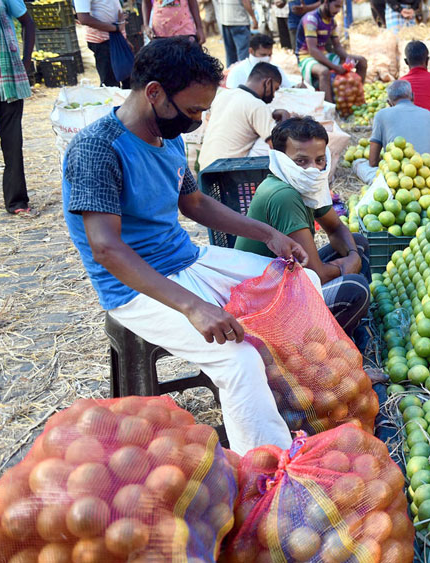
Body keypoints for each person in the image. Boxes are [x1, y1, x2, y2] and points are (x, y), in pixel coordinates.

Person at [61, 38, 311, 455]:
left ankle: (304, 403)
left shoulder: (168, 134)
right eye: (192, 110)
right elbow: (107, 249)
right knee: (238, 360)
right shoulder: (97, 149)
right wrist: (193, 306)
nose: (196, 121)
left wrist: (268, 234)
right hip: (133, 286)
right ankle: (266, 468)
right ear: (154, 92)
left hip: (187, 258)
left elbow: (192, 201)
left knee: (301, 286)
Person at [235, 117, 371, 335]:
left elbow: (336, 228)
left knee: (360, 242)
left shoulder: (305, 184)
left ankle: (354, 329)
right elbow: (315, 273)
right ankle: (325, 349)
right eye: (301, 161)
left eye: (319, 160)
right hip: (266, 303)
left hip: (289, 279)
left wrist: (353, 254)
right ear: (280, 158)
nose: (312, 169)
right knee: (355, 289)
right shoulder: (284, 196)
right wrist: (346, 267)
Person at [353, 80, 430, 184]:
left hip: (397, 180)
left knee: (358, 163)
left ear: (389, 103)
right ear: (413, 96)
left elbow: (372, 162)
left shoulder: (381, 115)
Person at [199, 63, 290, 169]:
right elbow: (279, 147)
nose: (273, 95)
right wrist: (285, 118)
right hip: (229, 172)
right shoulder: (257, 105)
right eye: (275, 89)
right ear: (267, 82)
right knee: (273, 136)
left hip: (205, 167)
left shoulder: (223, 95)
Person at [0, 0, 34, 216]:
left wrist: (26, 59)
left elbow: (28, 22)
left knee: (12, 143)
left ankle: (17, 201)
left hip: (6, 78)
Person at [296, 0, 367, 103]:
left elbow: (337, 46)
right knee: (324, 72)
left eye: (340, 7)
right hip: (306, 57)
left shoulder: (332, 21)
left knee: (361, 61)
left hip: (323, 54)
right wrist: (335, 67)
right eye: (336, 6)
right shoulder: (311, 19)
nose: (338, 10)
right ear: (326, 2)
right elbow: (313, 50)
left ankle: (357, 96)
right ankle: (330, 109)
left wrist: (347, 58)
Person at [75, 0, 129, 88]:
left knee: (128, 78)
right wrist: (115, 28)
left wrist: (123, 36)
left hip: (117, 37)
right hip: (102, 41)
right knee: (110, 83)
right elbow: (84, 19)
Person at [225, 33, 296, 89]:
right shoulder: (238, 72)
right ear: (251, 51)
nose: (267, 58)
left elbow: (287, 88)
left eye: (269, 55)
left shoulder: (275, 70)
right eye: (263, 55)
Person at [215, 0, 257, 66]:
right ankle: (242, 74)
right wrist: (253, 18)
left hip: (225, 20)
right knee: (243, 54)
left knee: (230, 55)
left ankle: (231, 74)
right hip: (239, 20)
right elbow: (245, 1)